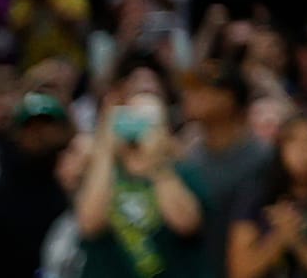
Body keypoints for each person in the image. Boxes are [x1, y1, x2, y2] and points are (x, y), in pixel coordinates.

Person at [76, 92, 209, 278]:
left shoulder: (182, 173)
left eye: (147, 122)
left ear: (165, 129)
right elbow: (89, 224)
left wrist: (156, 164)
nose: (137, 129)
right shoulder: (104, 173)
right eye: (131, 120)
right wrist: (105, 149)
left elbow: (186, 224)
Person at [0, 92, 80, 278]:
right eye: (30, 127)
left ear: (63, 131)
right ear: (17, 133)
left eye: (47, 125)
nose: (38, 134)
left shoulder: (73, 182)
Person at [182, 60, 273, 278]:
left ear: (229, 98)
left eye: (200, 89)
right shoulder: (188, 160)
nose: (189, 96)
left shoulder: (263, 158)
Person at [226, 114, 307, 278]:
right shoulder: (257, 196)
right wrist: (280, 238)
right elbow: (239, 271)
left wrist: (297, 241)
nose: (304, 150)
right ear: (280, 148)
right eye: (293, 141)